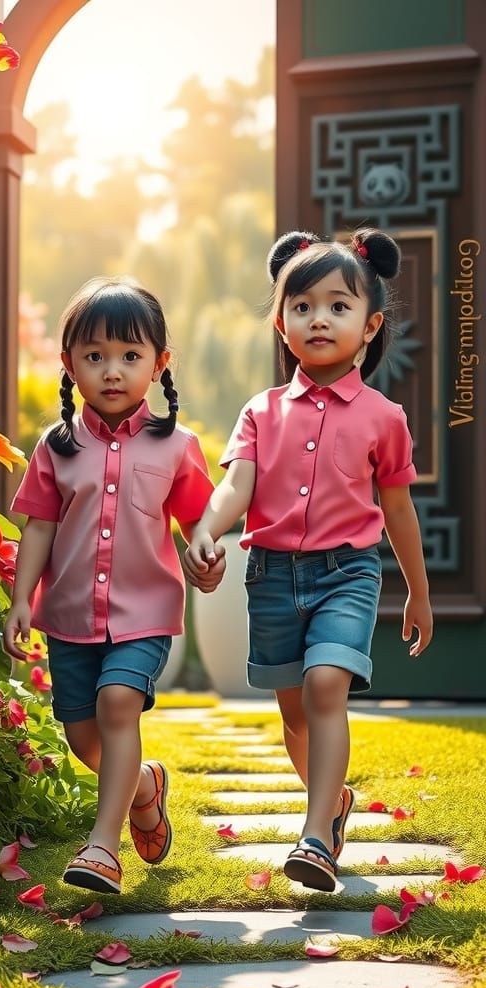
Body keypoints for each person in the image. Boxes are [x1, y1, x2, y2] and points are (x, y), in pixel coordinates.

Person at [184, 229, 433, 892]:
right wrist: (207, 528)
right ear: (280, 322)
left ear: (370, 324)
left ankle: (316, 834)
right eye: (301, 306)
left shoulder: (385, 418)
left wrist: (418, 591)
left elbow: (400, 512)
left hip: (348, 573)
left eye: (337, 305)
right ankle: (335, 801)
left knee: (328, 687)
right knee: (295, 714)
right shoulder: (260, 412)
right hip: (270, 575)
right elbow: (236, 483)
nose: (318, 318)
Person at [3, 277, 223, 895]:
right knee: (84, 737)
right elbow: (40, 527)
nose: (112, 370)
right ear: (69, 363)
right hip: (69, 615)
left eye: (130, 355)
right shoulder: (57, 446)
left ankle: (104, 846)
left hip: (144, 613)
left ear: (159, 363)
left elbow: (197, 525)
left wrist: (205, 557)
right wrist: (22, 599)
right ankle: (145, 785)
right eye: (94, 355)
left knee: (118, 705)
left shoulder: (178, 446)